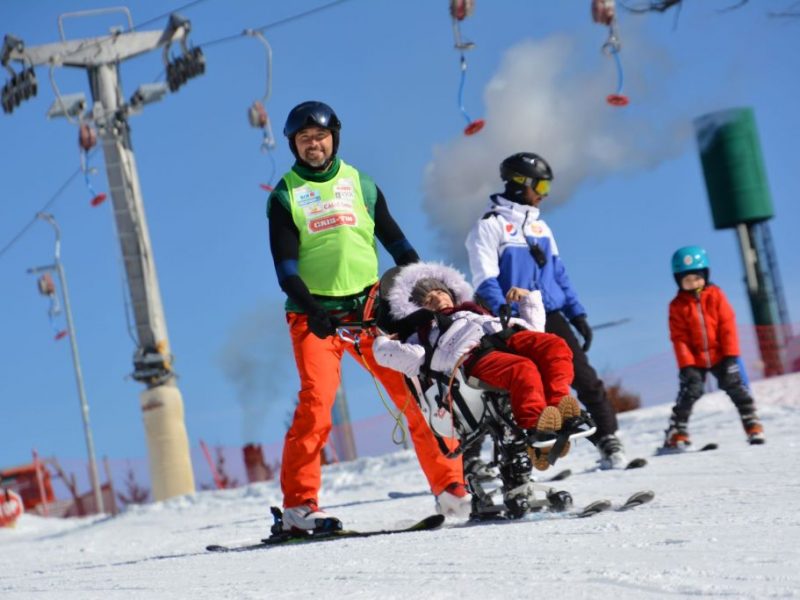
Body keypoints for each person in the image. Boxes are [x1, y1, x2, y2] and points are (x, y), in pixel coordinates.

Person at [267, 101, 466, 531]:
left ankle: (451, 487)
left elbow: (398, 244)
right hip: (313, 315)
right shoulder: (285, 195)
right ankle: (299, 508)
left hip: (371, 310)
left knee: (416, 393)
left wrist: (424, 286)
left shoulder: (361, 184)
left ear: (334, 137)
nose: (313, 145)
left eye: (319, 137)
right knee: (317, 405)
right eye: (304, 140)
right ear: (294, 146)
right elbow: (285, 270)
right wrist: (314, 309)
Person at [465, 152, 627, 469]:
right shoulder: (490, 226)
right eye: (540, 186)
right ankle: (475, 459)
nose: (543, 195)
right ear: (518, 184)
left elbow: (559, 274)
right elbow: (485, 279)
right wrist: (503, 315)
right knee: (506, 390)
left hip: (550, 314)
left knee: (584, 376)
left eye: (547, 188)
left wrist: (577, 314)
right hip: (511, 318)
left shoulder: (540, 228)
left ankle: (608, 440)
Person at [372, 261, 584, 471]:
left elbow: (535, 331)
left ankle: (560, 410)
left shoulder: (478, 311)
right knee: (523, 369)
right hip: (474, 356)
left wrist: (527, 299)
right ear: (418, 309)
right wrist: (383, 343)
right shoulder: (425, 332)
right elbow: (404, 357)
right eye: (428, 299)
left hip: (507, 337)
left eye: (441, 292)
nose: (438, 298)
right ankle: (536, 426)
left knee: (555, 346)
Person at [663, 245, 765, 449]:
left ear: (706, 275)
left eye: (697, 278)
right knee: (690, 391)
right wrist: (687, 365)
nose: (693, 284)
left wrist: (730, 355)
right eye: (687, 280)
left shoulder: (716, 296)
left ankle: (751, 422)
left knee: (735, 386)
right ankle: (677, 430)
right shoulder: (677, 305)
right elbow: (679, 338)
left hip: (720, 355)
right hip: (694, 359)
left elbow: (727, 325)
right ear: (678, 280)